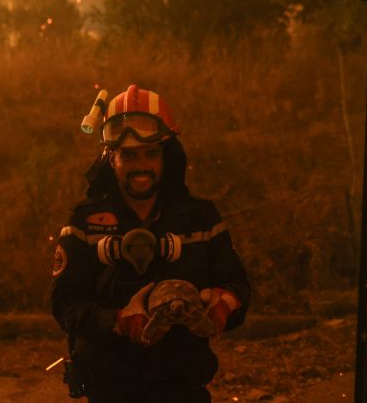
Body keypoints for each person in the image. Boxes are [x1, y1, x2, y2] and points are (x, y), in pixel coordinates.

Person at [51, 84, 250, 403]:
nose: (140, 165)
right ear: (111, 157)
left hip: (183, 388)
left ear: (166, 156)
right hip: (108, 390)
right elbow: (65, 305)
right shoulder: (84, 222)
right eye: (128, 155)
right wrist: (117, 321)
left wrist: (222, 305)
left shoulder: (202, 219)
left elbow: (238, 286)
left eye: (151, 153)